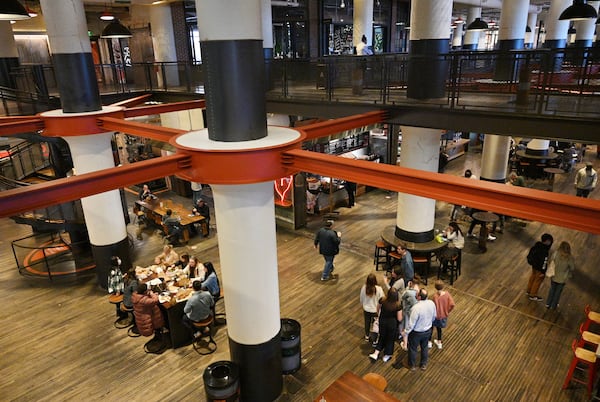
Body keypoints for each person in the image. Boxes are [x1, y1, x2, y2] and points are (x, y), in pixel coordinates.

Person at [403, 288, 436, 371]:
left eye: (417, 294)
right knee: (424, 347)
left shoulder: (416, 308)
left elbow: (411, 323)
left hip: (416, 332)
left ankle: (412, 365)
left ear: (419, 297)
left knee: (413, 348)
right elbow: (434, 316)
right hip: (428, 330)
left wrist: (406, 332)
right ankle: (423, 364)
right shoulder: (431, 303)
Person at [369, 287, 401, 363]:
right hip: (392, 323)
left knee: (382, 336)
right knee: (390, 339)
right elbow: (399, 318)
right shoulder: (398, 305)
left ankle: (376, 352)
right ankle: (387, 355)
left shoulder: (382, 300)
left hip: (382, 320)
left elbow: (377, 309)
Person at [545, 241, 575, 309]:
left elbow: (550, 261)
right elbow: (572, 268)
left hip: (554, 276)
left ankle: (548, 303)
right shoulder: (570, 258)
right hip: (563, 278)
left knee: (552, 290)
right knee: (558, 292)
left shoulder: (555, 254)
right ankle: (553, 305)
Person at [526, 233, 554, 302]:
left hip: (534, 266)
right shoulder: (544, 251)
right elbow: (544, 262)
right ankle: (533, 294)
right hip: (540, 268)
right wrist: (543, 271)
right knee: (538, 281)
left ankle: (529, 290)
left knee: (532, 277)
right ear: (547, 241)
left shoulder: (537, 246)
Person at [431, 280, 455, 350]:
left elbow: (433, 306)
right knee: (439, 329)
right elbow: (452, 304)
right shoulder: (447, 294)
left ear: (435, 287)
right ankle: (439, 342)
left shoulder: (435, 296)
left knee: (431, 328)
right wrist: (447, 311)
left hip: (435, 315)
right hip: (443, 316)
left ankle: (429, 342)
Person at [360, 273, 384, 341]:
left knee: (367, 322)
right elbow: (382, 299)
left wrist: (363, 304)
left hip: (366, 309)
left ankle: (367, 336)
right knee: (375, 324)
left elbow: (361, 298)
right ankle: (375, 337)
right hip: (375, 310)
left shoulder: (364, 288)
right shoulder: (379, 289)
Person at [399, 279, 419, 351]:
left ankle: (405, 345)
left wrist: (407, 287)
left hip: (407, 312)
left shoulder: (408, 292)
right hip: (414, 312)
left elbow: (402, 296)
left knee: (406, 328)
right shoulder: (418, 291)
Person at [122, 268, 139, 333]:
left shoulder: (126, 280)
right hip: (130, 304)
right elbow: (136, 293)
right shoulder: (134, 282)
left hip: (125, 301)